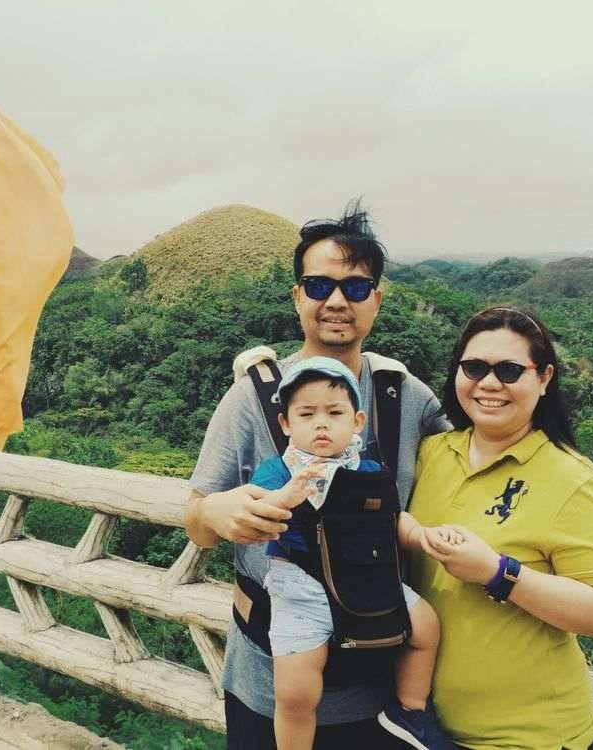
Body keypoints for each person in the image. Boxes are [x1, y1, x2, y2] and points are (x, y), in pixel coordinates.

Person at [184, 202, 450, 748]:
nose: (335, 301)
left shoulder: (404, 396)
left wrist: (571, 512)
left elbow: (489, 452)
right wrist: (217, 511)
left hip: (379, 685)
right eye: (318, 284)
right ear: (298, 296)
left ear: (376, 297)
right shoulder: (253, 398)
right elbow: (196, 519)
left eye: (355, 287)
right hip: (267, 682)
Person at [404, 306, 593, 750]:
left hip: (527, 734)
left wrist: (497, 572)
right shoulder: (430, 454)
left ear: (543, 378)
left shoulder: (574, 481)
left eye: (509, 370)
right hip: (426, 726)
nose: (489, 384)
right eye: (474, 367)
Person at [253, 356, 457, 750]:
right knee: (296, 692)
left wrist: (421, 537)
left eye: (334, 412)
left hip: (366, 577)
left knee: (426, 627)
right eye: (307, 413)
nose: (321, 423)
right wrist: (285, 498)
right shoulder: (278, 471)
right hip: (300, 590)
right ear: (286, 424)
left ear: (357, 421)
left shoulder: (366, 469)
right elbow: (258, 515)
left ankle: (410, 711)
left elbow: (392, 519)